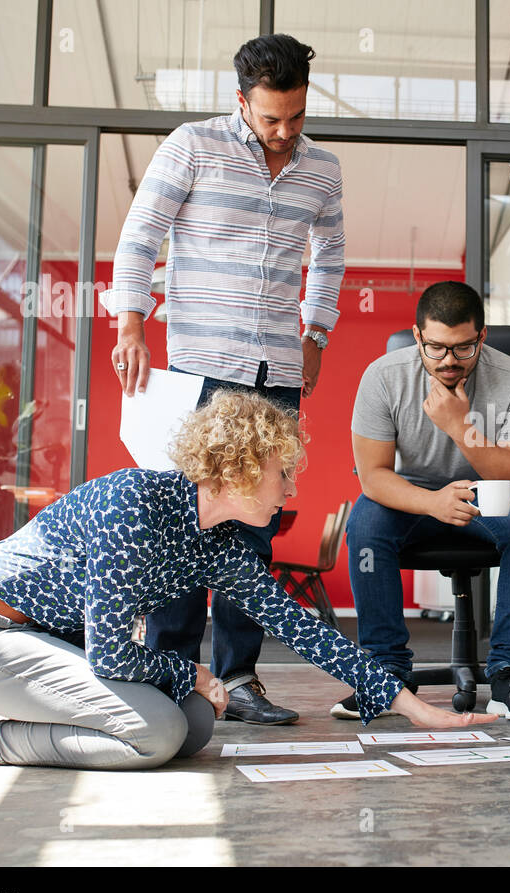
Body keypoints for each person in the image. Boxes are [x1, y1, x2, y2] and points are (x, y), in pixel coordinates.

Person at [0, 391, 492, 768]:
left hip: (53, 643)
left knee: (197, 724)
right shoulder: (136, 505)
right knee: (156, 734)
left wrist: (413, 707)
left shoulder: (222, 545)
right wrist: (197, 671)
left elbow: (302, 628)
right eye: (282, 473)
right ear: (235, 470)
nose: (290, 489)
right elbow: (110, 655)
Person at [101, 34, 344, 725]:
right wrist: (130, 323)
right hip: (198, 367)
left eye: (296, 117)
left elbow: (329, 253)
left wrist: (316, 332)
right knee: (185, 519)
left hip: (276, 367)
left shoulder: (321, 170)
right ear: (241, 103)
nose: (284, 132)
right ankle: (174, 673)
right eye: (270, 119)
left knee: (255, 527)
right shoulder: (192, 146)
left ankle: (239, 679)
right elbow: (141, 234)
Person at [341, 281, 510, 721]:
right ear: (417, 335)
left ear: (482, 336)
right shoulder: (383, 377)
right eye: (435, 348)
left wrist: (461, 429)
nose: (449, 361)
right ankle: (384, 673)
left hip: (487, 489)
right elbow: (375, 477)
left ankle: (509, 674)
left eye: (462, 348)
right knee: (364, 524)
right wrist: (432, 502)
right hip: (414, 493)